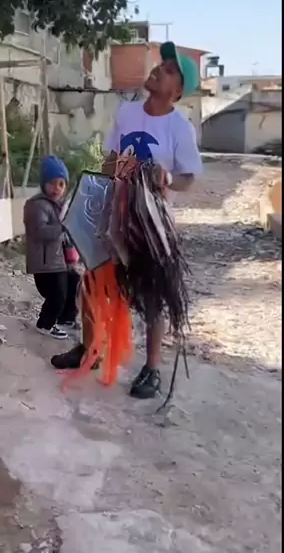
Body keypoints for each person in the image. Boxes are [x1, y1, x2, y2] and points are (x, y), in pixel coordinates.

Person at [51, 41, 202, 399]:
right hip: (113, 212)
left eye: (169, 70)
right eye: (161, 64)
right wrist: (117, 176)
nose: (158, 70)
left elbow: (189, 177)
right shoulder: (128, 112)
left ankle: (152, 368)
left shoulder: (180, 128)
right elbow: (109, 160)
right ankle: (90, 349)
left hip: (149, 225)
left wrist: (166, 177)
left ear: (177, 90)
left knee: (152, 295)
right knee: (92, 281)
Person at [24, 155, 78, 339]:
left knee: (74, 284)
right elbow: (40, 232)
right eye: (52, 183)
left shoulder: (58, 206)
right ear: (43, 184)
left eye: (61, 184)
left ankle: (65, 319)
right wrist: (62, 226)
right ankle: (45, 324)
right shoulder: (37, 205)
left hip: (58, 260)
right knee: (57, 295)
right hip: (45, 263)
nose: (57, 188)